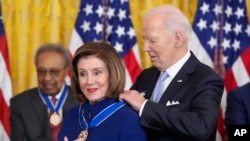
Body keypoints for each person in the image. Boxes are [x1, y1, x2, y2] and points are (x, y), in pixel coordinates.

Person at [119, 4, 224, 141]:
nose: (145, 48)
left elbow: (201, 127)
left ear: (178, 38)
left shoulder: (206, 78)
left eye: (152, 40)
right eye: (145, 40)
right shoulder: (147, 75)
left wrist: (145, 106)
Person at [58, 41, 147, 141]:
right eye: (83, 74)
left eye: (97, 72)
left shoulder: (129, 119)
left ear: (112, 75)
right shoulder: (72, 115)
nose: (89, 81)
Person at [10, 43, 77, 141]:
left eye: (54, 71)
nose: (47, 78)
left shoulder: (82, 100)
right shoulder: (20, 104)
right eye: (41, 71)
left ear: (66, 71)